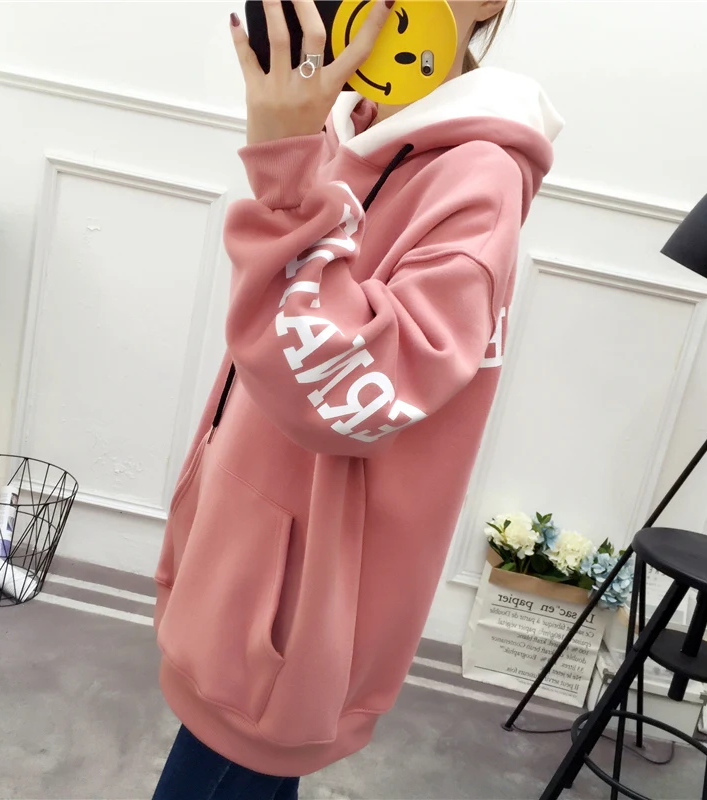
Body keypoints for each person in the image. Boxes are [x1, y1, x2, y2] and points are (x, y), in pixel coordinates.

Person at [152, 1, 563, 797]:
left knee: (229, 765)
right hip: (248, 550)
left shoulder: (476, 176)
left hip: (300, 594)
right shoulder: (356, 122)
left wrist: (285, 174)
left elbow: (353, 390)